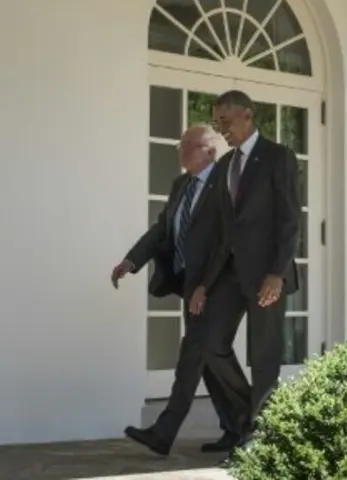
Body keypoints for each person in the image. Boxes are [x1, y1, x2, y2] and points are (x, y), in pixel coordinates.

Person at [110, 124, 250, 456]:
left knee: (195, 353)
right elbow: (163, 230)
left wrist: (206, 284)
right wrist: (131, 261)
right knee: (209, 355)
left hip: (223, 283)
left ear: (211, 151)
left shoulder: (227, 183)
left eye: (190, 145)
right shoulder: (180, 185)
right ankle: (241, 426)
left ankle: (165, 430)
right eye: (181, 144)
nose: (182, 150)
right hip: (192, 283)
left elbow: (227, 242)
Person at [195, 89, 301, 437]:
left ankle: (261, 436)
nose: (221, 127)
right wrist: (204, 284)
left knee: (264, 354)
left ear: (247, 115)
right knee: (210, 343)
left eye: (225, 120)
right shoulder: (225, 165)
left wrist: (277, 273)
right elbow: (225, 232)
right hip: (230, 273)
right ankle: (248, 419)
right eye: (217, 121)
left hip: (266, 274)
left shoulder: (278, 157)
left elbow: (289, 220)